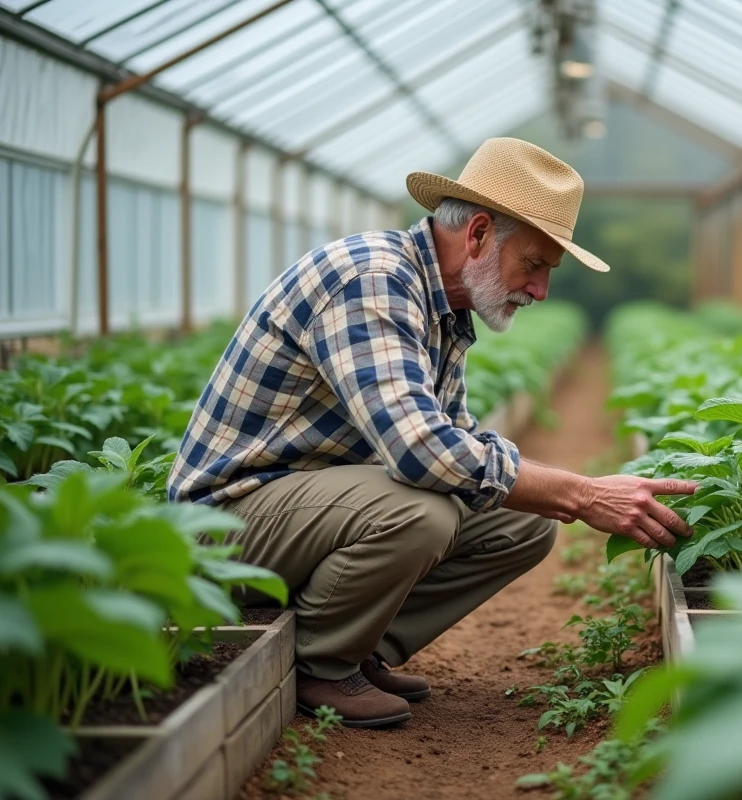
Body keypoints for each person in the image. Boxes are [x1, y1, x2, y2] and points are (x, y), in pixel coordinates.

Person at [167, 138, 696, 728]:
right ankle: (319, 661)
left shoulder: (440, 305)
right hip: (224, 525)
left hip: (307, 506)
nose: (540, 290)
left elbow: (457, 434)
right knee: (423, 513)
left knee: (524, 521)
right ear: (476, 235)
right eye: (536, 264)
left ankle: (360, 647)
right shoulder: (370, 279)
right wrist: (584, 493)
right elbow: (422, 452)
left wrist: (557, 493)